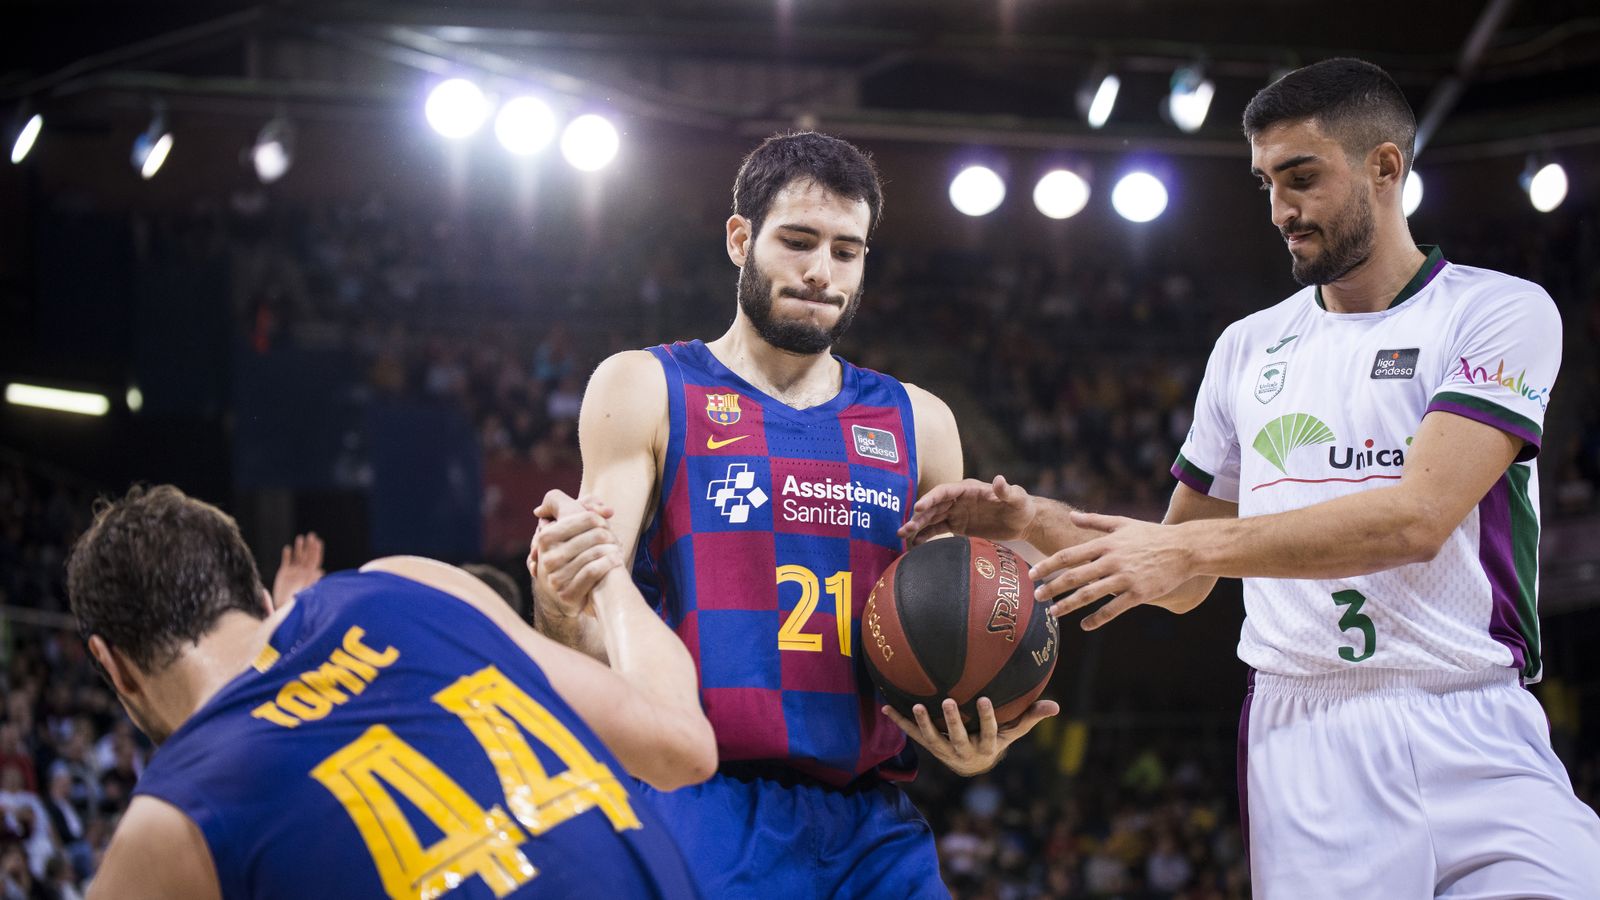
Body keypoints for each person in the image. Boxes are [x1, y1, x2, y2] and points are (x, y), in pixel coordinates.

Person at [901, 58, 1600, 897]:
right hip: (1309, 734)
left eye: (1302, 179)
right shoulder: (1246, 347)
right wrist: (1032, 519)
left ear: (1387, 167)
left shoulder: (1498, 310)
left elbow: (1418, 520)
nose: (1280, 212)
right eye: (1266, 184)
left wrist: (1195, 552)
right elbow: (1177, 574)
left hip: (1478, 717)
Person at [532, 130, 1057, 897]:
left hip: (875, 825)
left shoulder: (921, 423)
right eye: (799, 241)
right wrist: (554, 599)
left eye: (848, 251)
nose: (822, 271)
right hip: (700, 801)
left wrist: (973, 746)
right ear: (739, 239)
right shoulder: (646, 387)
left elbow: (946, 638)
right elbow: (588, 617)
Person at [66, 484, 714, 899]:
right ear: (262, 598)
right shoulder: (411, 582)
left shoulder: (169, 823)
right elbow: (683, 746)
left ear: (114, 666)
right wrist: (603, 564)